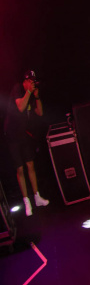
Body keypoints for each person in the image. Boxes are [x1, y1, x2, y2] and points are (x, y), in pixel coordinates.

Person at [4, 70, 50, 216]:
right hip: (12, 135)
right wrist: (29, 93)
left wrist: (37, 97)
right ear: (25, 81)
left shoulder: (31, 93)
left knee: (31, 164)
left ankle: (37, 197)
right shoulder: (17, 89)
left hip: (23, 134)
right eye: (30, 81)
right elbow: (21, 107)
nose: (33, 83)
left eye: (34, 81)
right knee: (20, 169)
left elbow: (40, 113)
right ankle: (26, 201)